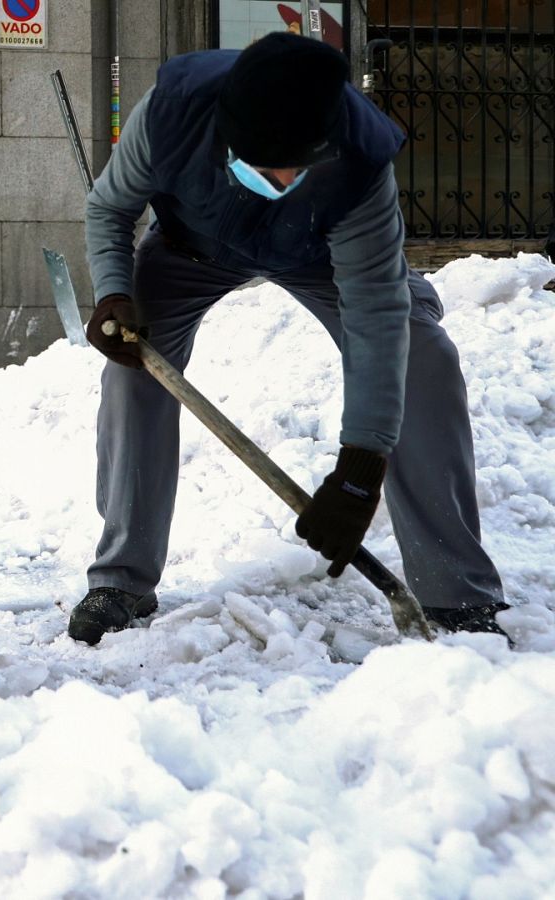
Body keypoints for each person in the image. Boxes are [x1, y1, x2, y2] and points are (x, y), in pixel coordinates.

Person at [70, 33, 509, 645]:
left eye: (296, 165)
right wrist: (115, 291)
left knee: (424, 355)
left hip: (316, 254)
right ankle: (120, 579)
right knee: (133, 370)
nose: (279, 176)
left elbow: (375, 311)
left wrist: (359, 468)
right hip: (187, 248)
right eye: (264, 163)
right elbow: (109, 209)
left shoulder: (358, 158)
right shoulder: (172, 113)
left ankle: (456, 594)